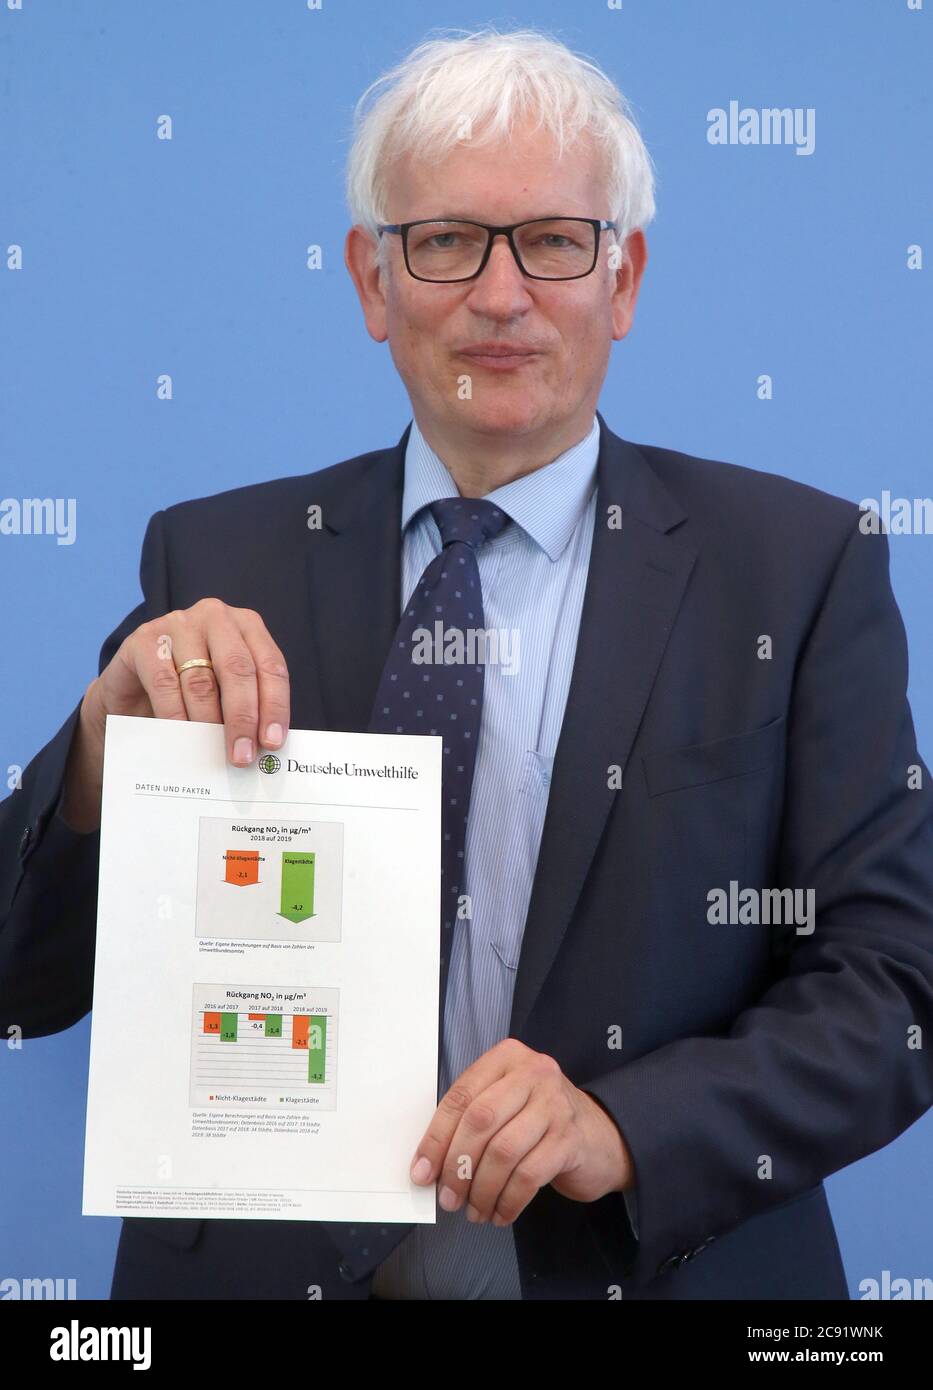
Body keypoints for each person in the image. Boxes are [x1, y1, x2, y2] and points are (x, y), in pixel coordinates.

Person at [2, 27, 932, 1302]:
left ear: (626, 276)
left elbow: (895, 986)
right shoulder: (213, 558)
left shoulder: (797, 566)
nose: (501, 297)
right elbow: (22, 980)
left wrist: (626, 1126)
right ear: (373, 282)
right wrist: (103, 751)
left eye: (553, 240)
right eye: (444, 241)